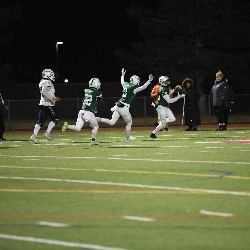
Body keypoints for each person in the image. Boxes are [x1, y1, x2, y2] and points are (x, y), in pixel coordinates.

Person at [98, 68, 154, 140]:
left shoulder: (126, 84)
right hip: (124, 107)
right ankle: (128, 137)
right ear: (134, 80)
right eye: (138, 80)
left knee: (112, 122)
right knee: (129, 122)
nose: (138, 81)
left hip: (118, 105)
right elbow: (143, 87)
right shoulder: (134, 88)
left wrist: (122, 75)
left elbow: (122, 81)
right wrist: (149, 80)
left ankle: (99, 119)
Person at [62, 78, 102, 146]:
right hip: (88, 113)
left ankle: (67, 126)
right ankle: (93, 141)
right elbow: (99, 101)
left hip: (82, 111)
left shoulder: (86, 91)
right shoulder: (98, 93)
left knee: (78, 128)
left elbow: (84, 100)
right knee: (96, 126)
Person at [30, 69, 60, 144]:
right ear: (48, 75)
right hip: (47, 104)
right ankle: (47, 132)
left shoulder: (42, 82)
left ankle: (34, 136)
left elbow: (46, 92)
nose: (53, 76)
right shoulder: (47, 82)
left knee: (41, 121)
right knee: (56, 118)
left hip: (42, 104)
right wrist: (53, 98)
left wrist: (54, 97)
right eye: (51, 74)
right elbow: (43, 92)